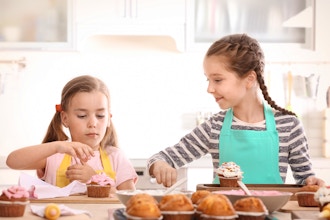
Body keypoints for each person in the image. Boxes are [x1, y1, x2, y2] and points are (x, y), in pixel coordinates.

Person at [147, 34, 325, 188]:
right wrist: (159, 165)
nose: (209, 88)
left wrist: (312, 181)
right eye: (208, 80)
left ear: (249, 79)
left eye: (217, 80)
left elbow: (304, 180)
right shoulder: (214, 127)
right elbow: (159, 158)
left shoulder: (288, 126)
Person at [6, 75, 138, 191]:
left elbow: (130, 199)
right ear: (65, 118)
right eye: (82, 116)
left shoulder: (116, 157)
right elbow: (13, 161)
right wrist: (56, 146)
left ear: (109, 118)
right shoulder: (55, 155)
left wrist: (96, 180)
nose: (93, 123)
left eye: (100, 115)